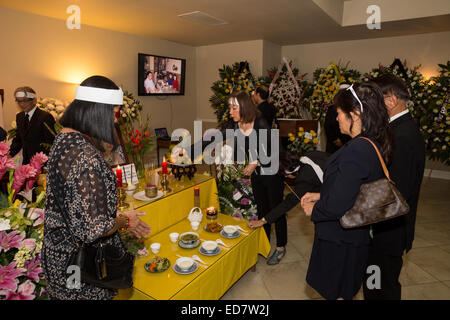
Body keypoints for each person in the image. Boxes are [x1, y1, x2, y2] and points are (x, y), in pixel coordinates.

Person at [42, 75, 151, 300]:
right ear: (98, 112)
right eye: (113, 113)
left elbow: (78, 210)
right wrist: (124, 220)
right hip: (83, 266)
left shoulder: (64, 139)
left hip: (59, 257)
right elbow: (94, 230)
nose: (115, 120)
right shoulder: (86, 158)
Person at [301, 82, 394, 300]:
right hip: (351, 236)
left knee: (338, 293)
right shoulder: (368, 142)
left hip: (342, 240)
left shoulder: (358, 149)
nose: (336, 118)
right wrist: (321, 195)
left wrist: (314, 210)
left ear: (356, 114)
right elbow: (353, 190)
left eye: (340, 113)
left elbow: (337, 205)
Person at [363, 74, 425, 300]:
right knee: (375, 281)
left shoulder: (403, 136)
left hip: (388, 230)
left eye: (375, 100)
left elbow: (394, 191)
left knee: (380, 286)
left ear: (390, 101)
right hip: (386, 227)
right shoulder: (399, 129)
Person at [228, 91, 285, 265]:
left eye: (234, 108)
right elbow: (211, 139)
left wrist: (256, 162)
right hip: (257, 174)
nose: (230, 112)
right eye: (229, 107)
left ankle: (281, 247)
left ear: (244, 108)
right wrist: (188, 151)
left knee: (276, 210)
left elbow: (275, 150)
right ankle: (264, 242)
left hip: (273, 172)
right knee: (262, 209)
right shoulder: (234, 125)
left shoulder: (260, 123)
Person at [248, 149, 329, 264]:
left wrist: (262, 221)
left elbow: (288, 203)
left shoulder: (304, 180)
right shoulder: (308, 154)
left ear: (288, 174)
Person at [9, 86, 56, 164]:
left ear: (34, 100)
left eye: (25, 101)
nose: (21, 104)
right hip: (26, 162)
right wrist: (9, 155)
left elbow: (51, 143)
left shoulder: (45, 117)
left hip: (42, 163)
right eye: (19, 101)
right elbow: (18, 139)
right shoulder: (20, 117)